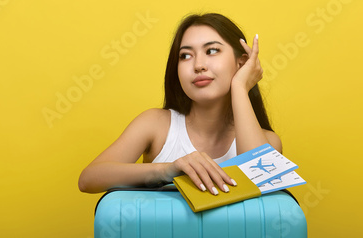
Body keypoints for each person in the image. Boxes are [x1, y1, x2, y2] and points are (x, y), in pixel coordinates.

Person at [78, 13, 282, 195]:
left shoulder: (268, 141)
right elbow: (89, 179)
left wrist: (240, 87)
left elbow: (262, 183)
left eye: (211, 51)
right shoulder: (156, 125)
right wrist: (168, 169)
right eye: (185, 56)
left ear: (242, 62)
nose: (198, 65)